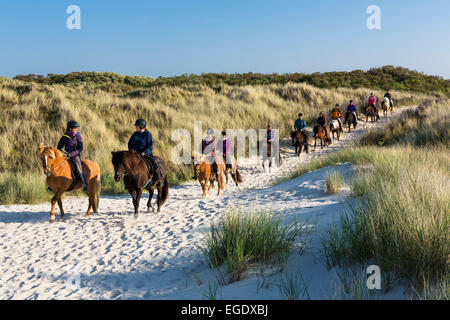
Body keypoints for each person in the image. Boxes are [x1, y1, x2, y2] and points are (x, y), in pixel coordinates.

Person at [57, 120, 89, 192]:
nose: (76, 130)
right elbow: (59, 147)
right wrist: (62, 153)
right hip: (65, 156)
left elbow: (80, 148)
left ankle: (84, 184)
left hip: (75, 156)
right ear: (70, 128)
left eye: (77, 128)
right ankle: (53, 184)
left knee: (79, 167)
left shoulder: (78, 136)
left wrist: (71, 154)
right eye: (75, 128)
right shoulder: (64, 137)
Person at [128, 118, 161, 183]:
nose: (135, 127)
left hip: (145, 154)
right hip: (135, 154)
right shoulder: (134, 134)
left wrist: (144, 152)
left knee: (154, 164)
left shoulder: (148, 134)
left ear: (141, 126)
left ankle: (158, 179)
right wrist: (132, 150)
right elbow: (130, 143)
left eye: (137, 126)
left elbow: (150, 146)